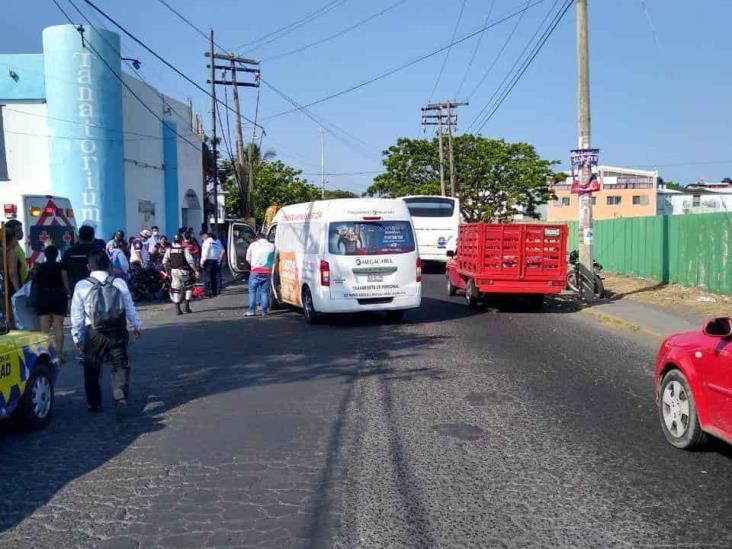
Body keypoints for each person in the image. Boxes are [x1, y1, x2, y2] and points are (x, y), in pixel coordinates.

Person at [70, 249, 142, 416]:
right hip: (118, 330)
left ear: (89, 267)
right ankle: (120, 395)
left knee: (92, 368)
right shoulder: (119, 283)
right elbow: (129, 306)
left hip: (94, 332)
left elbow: (77, 315)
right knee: (119, 365)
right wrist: (137, 325)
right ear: (109, 265)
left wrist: (77, 337)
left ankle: (94, 404)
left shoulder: (82, 285)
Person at [33, 246, 67, 358]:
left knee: (44, 328)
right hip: (59, 295)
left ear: (45, 255)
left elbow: (35, 281)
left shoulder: (40, 267)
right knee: (58, 326)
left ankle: (44, 354)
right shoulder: (61, 266)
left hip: (43, 296)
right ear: (57, 255)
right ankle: (59, 353)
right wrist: (68, 292)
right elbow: (65, 281)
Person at [163, 234, 198, 315]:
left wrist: (168, 272)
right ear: (181, 241)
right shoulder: (184, 249)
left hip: (174, 271)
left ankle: (177, 309)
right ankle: (186, 307)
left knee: (176, 289)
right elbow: (191, 262)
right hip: (184, 271)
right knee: (188, 287)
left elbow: (164, 262)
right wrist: (196, 271)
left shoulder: (169, 250)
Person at [61, 224, 100, 294]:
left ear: (79, 237)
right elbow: (105, 270)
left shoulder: (70, 252)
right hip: (95, 290)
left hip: (75, 290)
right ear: (93, 237)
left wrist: (68, 289)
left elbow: (64, 272)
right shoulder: (98, 252)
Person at [244, 232, 275, 319]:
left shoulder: (253, 245)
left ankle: (251, 311)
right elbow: (274, 259)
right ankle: (264, 312)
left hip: (255, 271)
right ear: (265, 238)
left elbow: (247, 258)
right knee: (264, 292)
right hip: (267, 271)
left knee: (252, 291)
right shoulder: (272, 246)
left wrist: (253, 265)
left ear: (257, 238)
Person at [5, 219, 28, 286]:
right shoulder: (11, 249)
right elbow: (12, 273)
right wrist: (17, 289)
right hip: (14, 286)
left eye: (21, 229)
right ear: (12, 232)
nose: (21, 232)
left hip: (21, 283)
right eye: (18, 230)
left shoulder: (17, 246)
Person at [200, 231, 221, 297]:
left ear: (205, 236)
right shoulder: (215, 242)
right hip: (215, 261)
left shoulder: (206, 242)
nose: (202, 238)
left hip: (208, 261)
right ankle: (214, 291)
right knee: (214, 277)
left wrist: (202, 261)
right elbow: (218, 252)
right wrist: (218, 260)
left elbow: (205, 252)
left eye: (202, 236)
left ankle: (208, 292)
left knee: (207, 277)